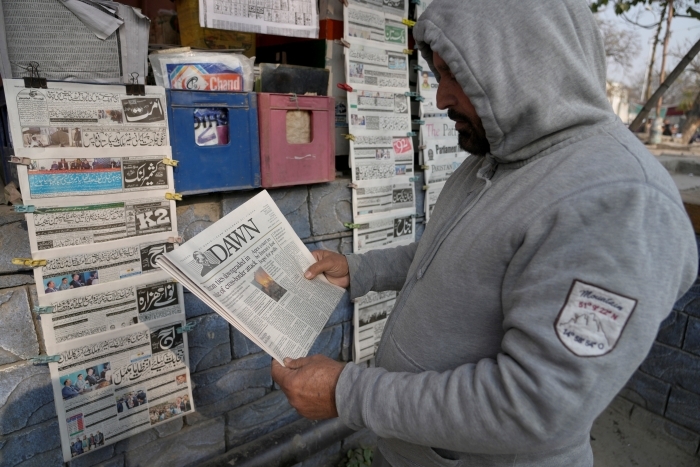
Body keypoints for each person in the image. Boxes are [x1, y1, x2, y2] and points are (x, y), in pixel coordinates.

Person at [270, 1, 698, 466]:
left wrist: (349, 393)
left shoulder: (619, 202)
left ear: (521, 63)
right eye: (438, 76)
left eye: (458, 75)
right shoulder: (495, 160)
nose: (441, 98)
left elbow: (535, 404)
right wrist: (359, 270)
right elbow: (448, 256)